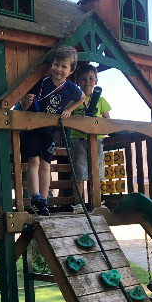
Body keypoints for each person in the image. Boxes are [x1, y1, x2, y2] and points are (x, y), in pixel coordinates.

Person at [18, 46, 85, 216]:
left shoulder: (71, 87)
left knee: (46, 164)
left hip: (49, 130)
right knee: (34, 161)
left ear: (71, 70)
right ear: (51, 64)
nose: (59, 69)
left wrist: (69, 109)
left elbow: (82, 97)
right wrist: (25, 101)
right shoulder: (42, 82)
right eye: (56, 64)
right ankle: (35, 198)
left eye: (64, 66)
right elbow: (24, 96)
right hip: (33, 127)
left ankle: (44, 201)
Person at [68, 64, 111, 213]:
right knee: (79, 171)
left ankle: (96, 202)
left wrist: (97, 121)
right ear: (77, 82)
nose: (87, 81)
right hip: (77, 139)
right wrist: (78, 119)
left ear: (96, 81)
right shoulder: (73, 100)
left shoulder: (101, 100)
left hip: (97, 139)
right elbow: (67, 117)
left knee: (97, 170)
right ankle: (79, 204)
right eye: (84, 79)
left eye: (91, 78)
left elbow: (108, 121)